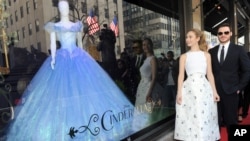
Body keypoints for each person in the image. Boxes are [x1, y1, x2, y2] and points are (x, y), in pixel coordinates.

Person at [6, 1, 133, 141]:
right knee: (62, 93)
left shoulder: (76, 25)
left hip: (77, 58)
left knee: (85, 91)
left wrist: (82, 57)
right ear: (59, 10)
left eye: (66, 7)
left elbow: (79, 43)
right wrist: (53, 59)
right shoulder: (55, 27)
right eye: (62, 7)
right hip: (61, 59)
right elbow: (53, 45)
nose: (64, 9)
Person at [174, 28, 220, 141]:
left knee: (204, 116)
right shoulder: (184, 56)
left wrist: (214, 91)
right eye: (186, 37)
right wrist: (179, 93)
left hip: (204, 89)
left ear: (197, 39)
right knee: (191, 117)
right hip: (189, 89)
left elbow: (210, 74)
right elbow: (180, 76)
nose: (187, 39)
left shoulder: (206, 55)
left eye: (190, 37)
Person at [209, 23, 250, 132]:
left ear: (231, 34)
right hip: (214, 92)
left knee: (231, 121)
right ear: (217, 35)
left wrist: (239, 88)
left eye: (226, 32)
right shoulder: (211, 52)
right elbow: (209, 72)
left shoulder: (239, 50)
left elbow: (247, 71)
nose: (223, 35)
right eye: (220, 33)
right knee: (214, 122)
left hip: (231, 92)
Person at [133, 38, 164, 130]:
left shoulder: (153, 59)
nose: (145, 46)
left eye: (147, 44)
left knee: (148, 113)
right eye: (143, 45)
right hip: (142, 87)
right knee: (141, 111)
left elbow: (154, 77)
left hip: (149, 88)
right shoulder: (145, 59)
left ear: (151, 46)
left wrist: (149, 92)